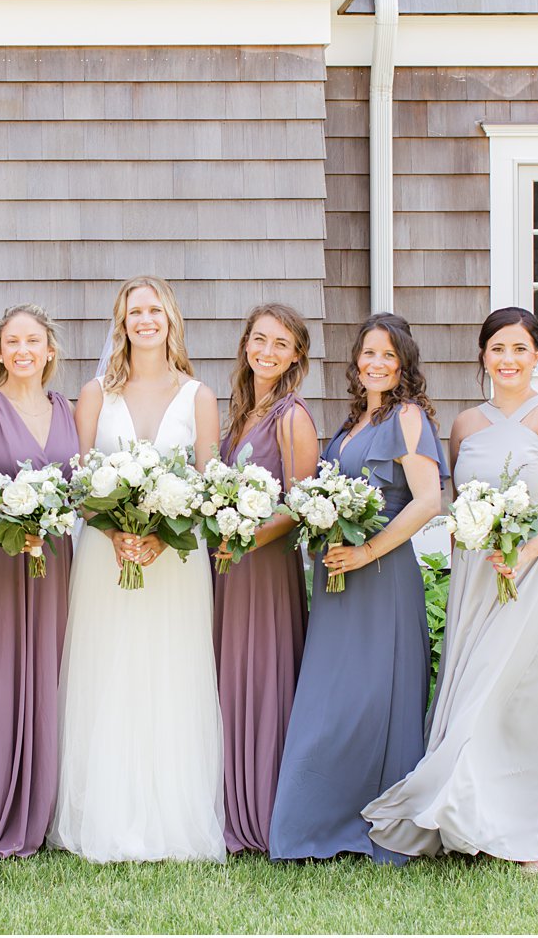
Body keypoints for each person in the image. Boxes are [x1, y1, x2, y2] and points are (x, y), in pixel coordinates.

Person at [363, 306, 538, 873]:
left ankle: (517, 828)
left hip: (532, 576)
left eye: (519, 349)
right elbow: (458, 501)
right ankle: (464, 816)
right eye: (497, 349)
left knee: (517, 699)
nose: (507, 360)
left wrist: (524, 553)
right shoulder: (464, 424)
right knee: (469, 693)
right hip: (477, 576)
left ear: (537, 355)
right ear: (483, 356)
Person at [48, 275, 227, 863]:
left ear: (170, 318)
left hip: (175, 555)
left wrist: (161, 536)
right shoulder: (97, 392)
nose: (144, 320)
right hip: (106, 553)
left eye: (154, 310)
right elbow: (78, 480)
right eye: (133, 312)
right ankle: (108, 815)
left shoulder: (199, 396)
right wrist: (116, 531)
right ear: (121, 323)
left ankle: (171, 820)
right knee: (110, 673)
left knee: (171, 674)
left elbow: (208, 483)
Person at [269, 312, 448, 864]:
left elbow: (427, 502)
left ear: (404, 366)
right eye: (368, 354)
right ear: (356, 362)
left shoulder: (409, 418)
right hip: (335, 578)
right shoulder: (349, 426)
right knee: (329, 696)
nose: (376, 364)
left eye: (388, 356)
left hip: (380, 577)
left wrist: (366, 550)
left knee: (371, 698)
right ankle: (313, 821)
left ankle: (376, 825)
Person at [0, 304, 78, 858]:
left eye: (34, 341)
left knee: (50, 675)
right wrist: (7, 524)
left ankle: (44, 808)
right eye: (12, 342)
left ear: (50, 350)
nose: (23, 350)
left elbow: (82, 490)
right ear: (0, 350)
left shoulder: (67, 410)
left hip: (55, 563)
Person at [212, 304, 319, 854]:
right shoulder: (238, 412)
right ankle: (226, 800)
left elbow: (301, 505)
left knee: (261, 676)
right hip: (226, 565)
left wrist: (247, 538)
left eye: (281, 343)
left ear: (296, 353)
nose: (268, 351)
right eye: (260, 340)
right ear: (246, 345)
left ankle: (260, 809)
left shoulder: (293, 416)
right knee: (228, 678)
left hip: (264, 567)